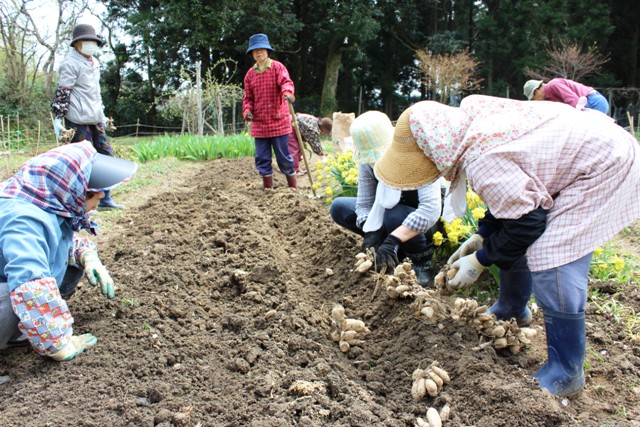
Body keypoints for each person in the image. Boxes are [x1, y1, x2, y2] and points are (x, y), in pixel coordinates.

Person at [373, 95, 640, 397]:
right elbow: (514, 205)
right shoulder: (473, 130)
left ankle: (566, 371)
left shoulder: (483, 158)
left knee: (552, 256)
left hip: (605, 162)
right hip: (597, 147)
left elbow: (526, 224)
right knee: (518, 237)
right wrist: (483, 234)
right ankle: (512, 308)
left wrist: (481, 260)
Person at [0, 141, 137, 362]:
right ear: (74, 191)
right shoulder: (22, 218)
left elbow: (62, 241)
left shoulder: (45, 202)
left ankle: (27, 328)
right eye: (94, 194)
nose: (101, 197)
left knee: (71, 266)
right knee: (15, 298)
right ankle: (22, 331)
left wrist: (89, 257)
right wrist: (57, 344)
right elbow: (29, 284)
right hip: (12, 287)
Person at [329, 111, 442, 287]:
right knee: (339, 207)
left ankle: (422, 261)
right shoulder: (368, 162)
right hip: (389, 213)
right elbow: (364, 204)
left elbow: (431, 210)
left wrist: (393, 239)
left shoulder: (417, 155)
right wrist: (371, 232)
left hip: (423, 221)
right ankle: (388, 249)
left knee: (394, 215)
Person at [51, 23, 124, 209]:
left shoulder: (95, 63)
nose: (90, 44)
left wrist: (104, 115)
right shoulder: (70, 63)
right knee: (84, 162)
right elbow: (63, 92)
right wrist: (58, 120)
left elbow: (96, 93)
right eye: (86, 41)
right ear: (76, 44)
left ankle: (105, 199)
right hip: (78, 119)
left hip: (95, 117)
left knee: (106, 156)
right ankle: (84, 202)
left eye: (93, 41)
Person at [242, 33, 297, 190]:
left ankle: (293, 190)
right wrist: (247, 111)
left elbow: (286, 82)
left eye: (262, 50)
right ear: (252, 54)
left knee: (283, 156)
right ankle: (268, 190)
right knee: (262, 157)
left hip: (278, 120)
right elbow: (248, 98)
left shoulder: (278, 67)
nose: (259, 53)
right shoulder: (250, 75)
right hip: (259, 124)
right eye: (255, 51)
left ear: (267, 51)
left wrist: (287, 92)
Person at [523, 78, 609, 115]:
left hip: (592, 101)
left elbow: (574, 101)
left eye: (533, 99)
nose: (536, 102)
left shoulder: (554, 84)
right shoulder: (548, 99)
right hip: (584, 106)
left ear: (536, 92)